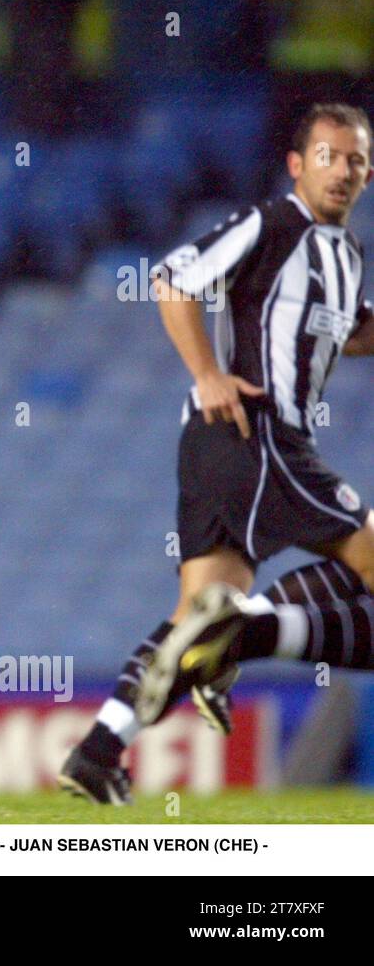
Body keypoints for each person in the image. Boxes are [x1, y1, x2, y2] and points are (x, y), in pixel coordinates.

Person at [60, 103, 374, 804]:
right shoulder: (273, 223)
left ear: (369, 173)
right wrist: (206, 371)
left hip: (223, 452)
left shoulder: (346, 256)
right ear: (298, 165)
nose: (342, 170)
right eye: (328, 155)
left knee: (194, 618)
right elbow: (172, 279)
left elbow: (351, 332)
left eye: (355, 160)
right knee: (352, 571)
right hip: (257, 432)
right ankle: (254, 631)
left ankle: (98, 750)